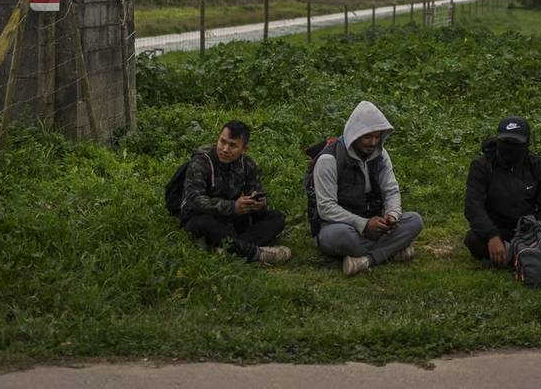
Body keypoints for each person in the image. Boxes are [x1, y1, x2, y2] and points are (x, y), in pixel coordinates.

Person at [308, 100, 423, 276]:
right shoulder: (328, 160)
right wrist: (363, 224)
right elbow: (326, 208)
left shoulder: (381, 155)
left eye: (377, 137)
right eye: (368, 137)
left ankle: (366, 260)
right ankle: (392, 250)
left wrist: (392, 215)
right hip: (339, 226)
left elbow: (391, 190)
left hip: (375, 224)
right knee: (341, 236)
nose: (373, 142)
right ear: (355, 135)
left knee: (414, 221)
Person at [464, 117, 541, 267]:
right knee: (473, 240)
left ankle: (511, 255)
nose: (510, 148)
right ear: (498, 140)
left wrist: (533, 230)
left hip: (529, 229)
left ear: (527, 144)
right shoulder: (481, 166)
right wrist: (492, 235)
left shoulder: (539, 166)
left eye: (515, 144)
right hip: (498, 230)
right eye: (506, 142)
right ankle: (531, 254)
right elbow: (473, 206)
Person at [179, 121, 291, 265]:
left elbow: (256, 191)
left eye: (232, 145)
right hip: (204, 217)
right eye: (222, 142)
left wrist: (257, 203)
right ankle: (255, 253)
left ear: (244, 149)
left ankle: (228, 249)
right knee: (203, 223)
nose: (225, 149)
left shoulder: (247, 164)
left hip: (232, 219)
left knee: (277, 218)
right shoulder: (201, 162)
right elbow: (194, 200)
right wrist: (232, 207)